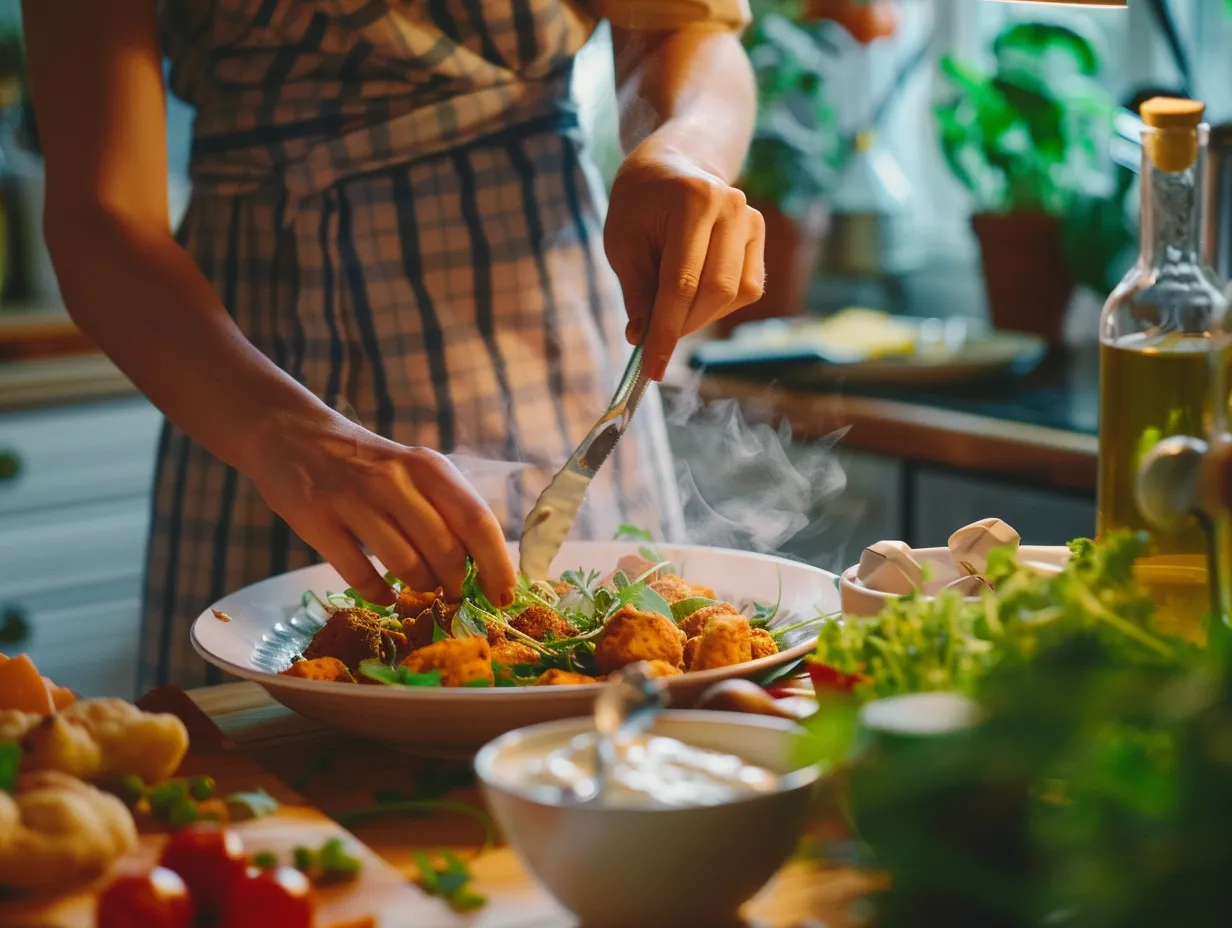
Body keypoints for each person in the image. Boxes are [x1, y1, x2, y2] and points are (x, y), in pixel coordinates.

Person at [23, 0, 764, 690]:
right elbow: (99, 213)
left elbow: (682, 26)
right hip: (236, 371)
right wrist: (278, 433)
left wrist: (686, 151)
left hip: (541, 338)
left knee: (587, 723)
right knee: (262, 760)